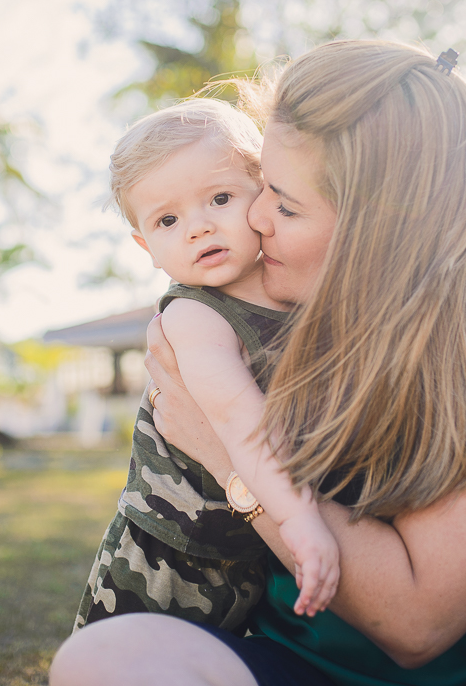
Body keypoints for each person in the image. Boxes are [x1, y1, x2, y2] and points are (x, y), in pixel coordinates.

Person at [51, 40, 466, 686]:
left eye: (284, 203)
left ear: (379, 224)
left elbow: (416, 625)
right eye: (262, 187)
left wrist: (226, 459)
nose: (255, 217)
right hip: (307, 669)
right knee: (101, 658)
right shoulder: (265, 310)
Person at [73, 98, 339, 636]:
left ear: (263, 195)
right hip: (169, 555)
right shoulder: (196, 315)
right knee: (129, 662)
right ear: (147, 246)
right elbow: (240, 419)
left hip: (254, 551)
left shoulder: (295, 291)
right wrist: (299, 518)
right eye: (168, 220)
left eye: (219, 198)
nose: (198, 227)